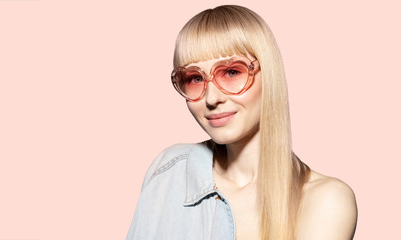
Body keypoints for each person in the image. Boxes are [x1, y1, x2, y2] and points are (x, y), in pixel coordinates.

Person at [127, 5, 357, 240]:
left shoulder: (325, 201)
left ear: (269, 73)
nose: (212, 98)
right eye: (195, 78)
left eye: (231, 72)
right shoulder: (169, 173)